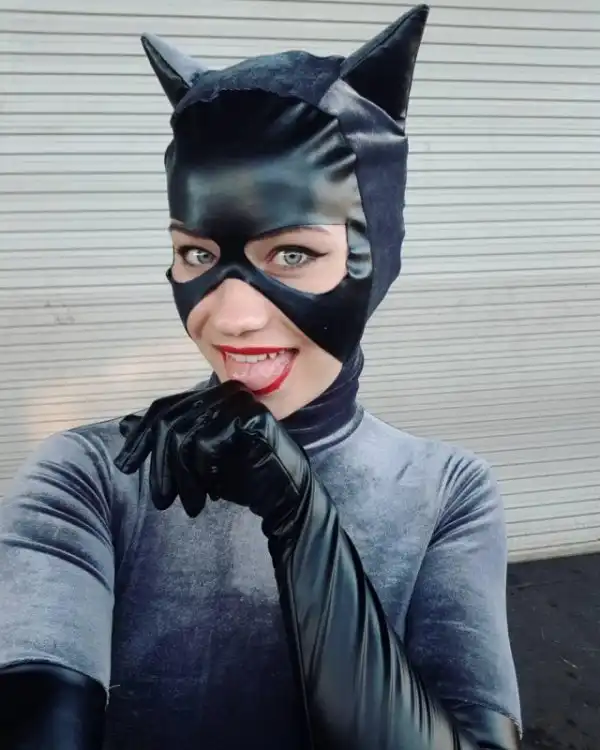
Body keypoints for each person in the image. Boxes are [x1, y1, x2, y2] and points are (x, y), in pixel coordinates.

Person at [0, 5, 522, 748]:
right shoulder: (91, 476)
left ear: (376, 257)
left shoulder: (447, 490)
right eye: (198, 256)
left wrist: (302, 520)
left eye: (293, 255)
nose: (231, 317)